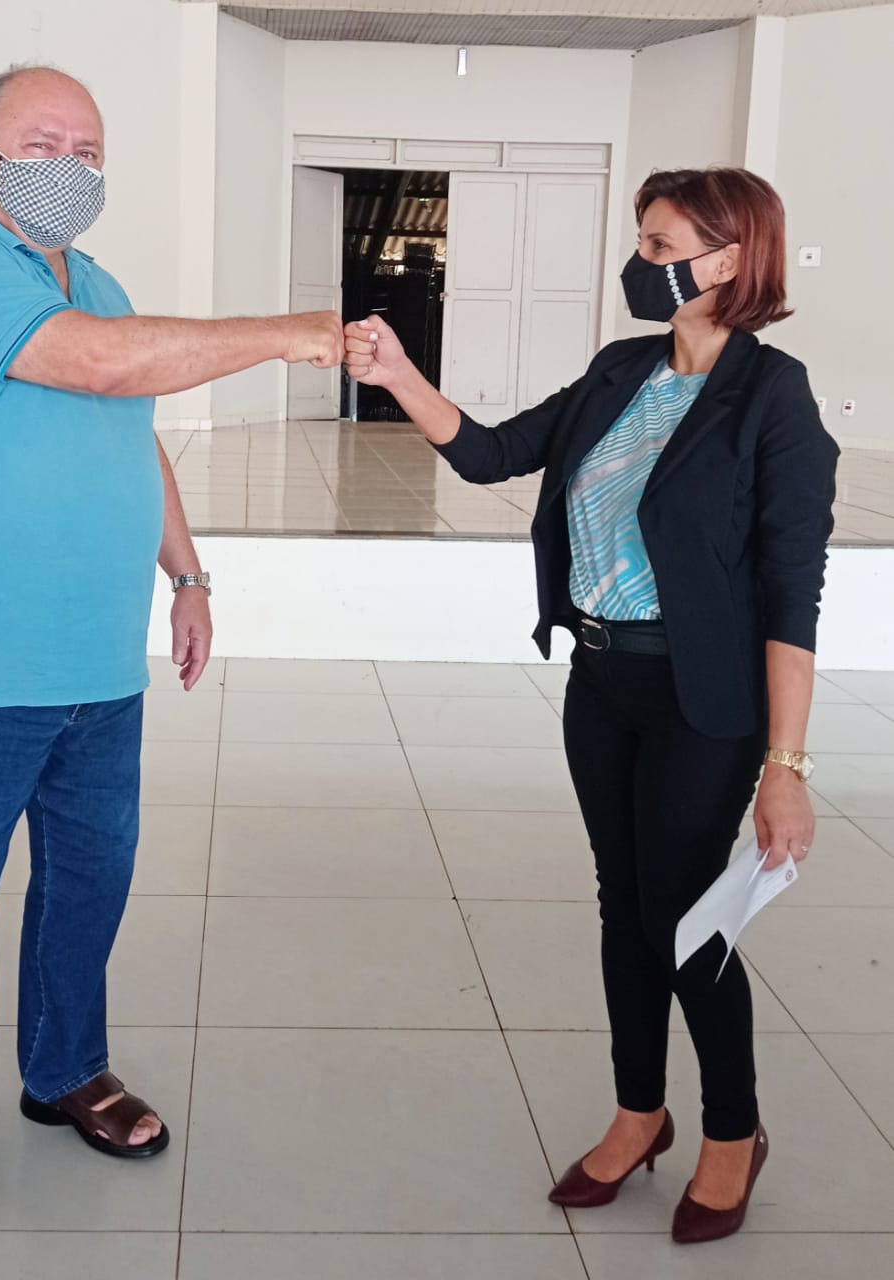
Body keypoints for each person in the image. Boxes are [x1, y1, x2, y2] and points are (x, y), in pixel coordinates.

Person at [0, 64, 343, 1229]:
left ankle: (62, 1070)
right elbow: (104, 362)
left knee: (87, 885)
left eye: (88, 151)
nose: (71, 168)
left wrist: (186, 573)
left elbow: (134, 425)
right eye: (44, 144)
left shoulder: (97, 281)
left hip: (98, 665)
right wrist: (289, 333)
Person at [344, 167, 837, 1245]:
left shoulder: (773, 397)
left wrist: (785, 766)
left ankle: (732, 1129)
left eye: (659, 247)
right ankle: (637, 1112)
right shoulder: (621, 368)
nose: (638, 263)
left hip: (701, 699)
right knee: (624, 905)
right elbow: (490, 454)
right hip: (600, 683)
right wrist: (397, 372)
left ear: (726, 260)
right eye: (641, 242)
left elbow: (790, 595)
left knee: (685, 919)